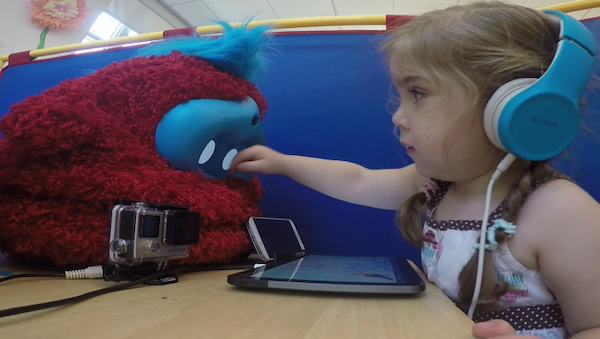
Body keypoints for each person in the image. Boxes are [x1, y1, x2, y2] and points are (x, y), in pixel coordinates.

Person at [229, 2, 600, 338]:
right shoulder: (433, 185)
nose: (397, 116)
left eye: (418, 94)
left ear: (512, 108)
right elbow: (357, 181)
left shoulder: (562, 213)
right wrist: (283, 163)